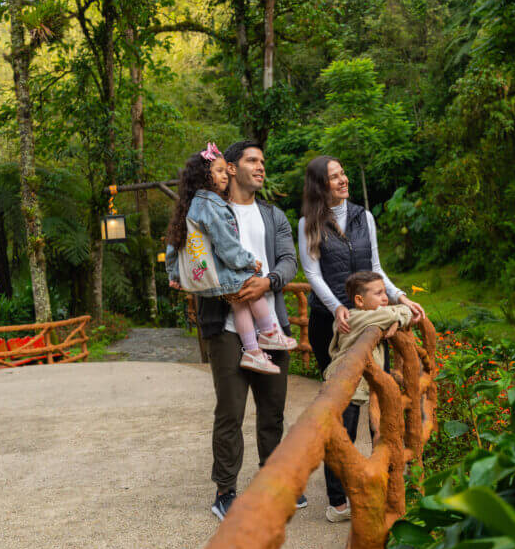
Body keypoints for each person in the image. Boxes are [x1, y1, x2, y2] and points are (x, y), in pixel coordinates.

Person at [181, 139, 306, 521]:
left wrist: (268, 281)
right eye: (252, 160)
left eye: (262, 160)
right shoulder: (207, 208)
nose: (261, 166)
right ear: (231, 168)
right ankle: (225, 490)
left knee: (273, 411)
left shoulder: (273, 215)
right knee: (230, 412)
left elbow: (289, 260)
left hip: (271, 323)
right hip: (224, 327)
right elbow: (191, 254)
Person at [298, 155, 425, 522]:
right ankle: (339, 499)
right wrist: (338, 306)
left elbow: (376, 268)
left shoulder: (363, 217)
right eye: (334, 176)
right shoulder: (309, 223)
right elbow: (312, 274)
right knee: (344, 409)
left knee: (379, 400)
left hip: (370, 321)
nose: (343, 180)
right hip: (332, 324)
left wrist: (400, 297)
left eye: (343, 173)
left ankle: (382, 484)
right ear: (320, 185)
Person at [165, 143, 297, 375]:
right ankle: (267, 334)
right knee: (248, 285)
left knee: (240, 304)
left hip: (220, 284)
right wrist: (249, 262)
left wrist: (174, 273)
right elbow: (228, 246)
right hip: (222, 309)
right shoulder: (214, 205)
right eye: (219, 171)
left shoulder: (191, 205)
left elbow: (175, 244)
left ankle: (253, 350)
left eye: (262, 162)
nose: (260, 167)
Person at [323, 271, 413, 522]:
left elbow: (395, 314)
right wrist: (397, 318)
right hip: (344, 386)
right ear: (359, 300)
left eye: (385, 292)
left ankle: (378, 485)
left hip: (360, 386)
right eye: (379, 293)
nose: (386, 298)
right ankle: (337, 505)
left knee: (372, 432)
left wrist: (394, 320)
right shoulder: (356, 317)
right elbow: (405, 312)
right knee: (340, 441)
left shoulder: (371, 316)